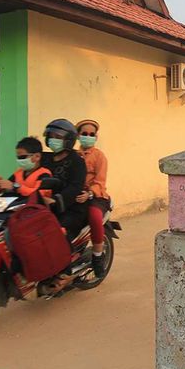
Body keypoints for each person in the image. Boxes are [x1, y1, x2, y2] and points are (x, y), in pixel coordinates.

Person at [41, 119, 88, 290]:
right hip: (44, 207)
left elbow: (76, 187)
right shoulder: (44, 158)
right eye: (51, 136)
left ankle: (65, 273)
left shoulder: (77, 161)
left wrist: (57, 200)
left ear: (68, 140)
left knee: (58, 233)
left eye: (58, 137)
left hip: (71, 209)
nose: (53, 139)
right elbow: (27, 174)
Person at [75, 119, 110, 278]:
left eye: (91, 134)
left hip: (96, 196)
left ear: (95, 137)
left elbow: (100, 181)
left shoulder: (99, 156)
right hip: (75, 196)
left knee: (94, 217)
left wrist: (89, 193)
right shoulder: (73, 155)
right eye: (84, 134)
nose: (88, 136)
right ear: (78, 136)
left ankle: (97, 255)